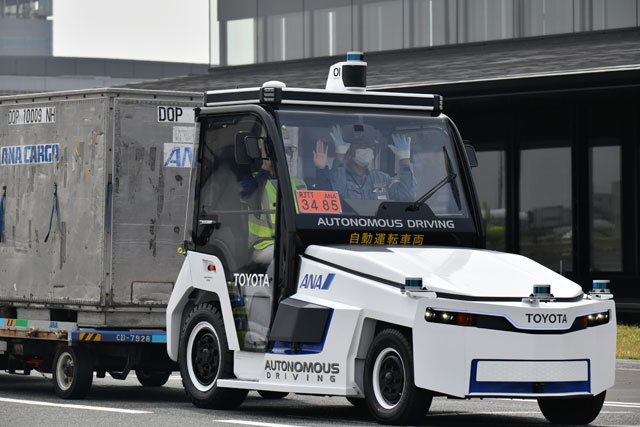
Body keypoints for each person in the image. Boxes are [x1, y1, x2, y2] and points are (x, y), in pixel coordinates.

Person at [240, 137, 305, 264]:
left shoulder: (299, 184)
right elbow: (250, 195)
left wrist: (321, 170)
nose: (286, 156)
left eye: (288, 151)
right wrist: (265, 168)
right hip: (263, 245)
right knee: (285, 258)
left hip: (293, 242)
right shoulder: (252, 180)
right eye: (282, 151)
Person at [313, 124, 416, 201]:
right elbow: (337, 194)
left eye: (369, 146)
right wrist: (340, 155)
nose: (366, 150)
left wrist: (405, 161)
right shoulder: (337, 177)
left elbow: (407, 195)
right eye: (360, 146)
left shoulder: (382, 178)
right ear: (348, 150)